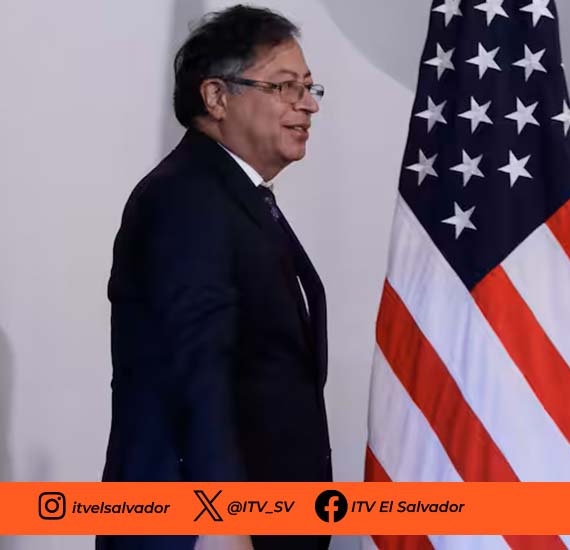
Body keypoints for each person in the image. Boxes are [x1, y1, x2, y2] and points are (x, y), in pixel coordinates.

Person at [99, 6, 330, 550]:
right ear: (217, 97)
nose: (308, 104)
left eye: (308, 87)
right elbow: (197, 369)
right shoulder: (186, 197)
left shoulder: (236, 196)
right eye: (284, 86)